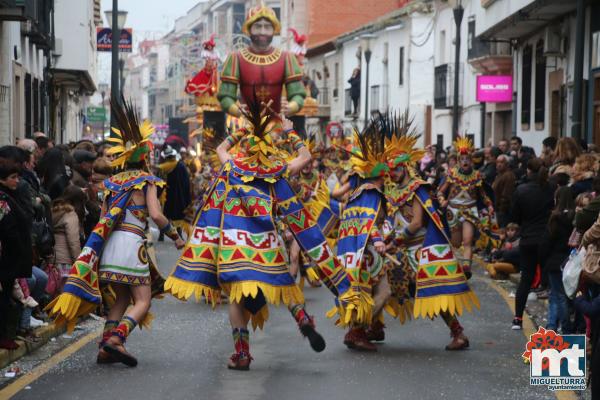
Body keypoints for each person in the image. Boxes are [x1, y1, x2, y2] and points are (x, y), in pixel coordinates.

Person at [165, 100, 361, 370]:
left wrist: (244, 130)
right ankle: (302, 317)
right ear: (270, 147)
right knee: (284, 285)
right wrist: (290, 130)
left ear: (246, 147)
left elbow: (221, 148)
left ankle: (242, 353)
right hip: (267, 242)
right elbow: (305, 158)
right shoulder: (276, 171)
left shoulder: (233, 167)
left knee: (236, 297)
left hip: (234, 245)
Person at [47, 100, 185, 367]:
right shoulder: (147, 182)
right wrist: (176, 236)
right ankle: (116, 338)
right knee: (142, 300)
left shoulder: (112, 184)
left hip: (110, 246)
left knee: (121, 298)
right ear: (145, 156)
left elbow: (103, 219)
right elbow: (155, 215)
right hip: (132, 245)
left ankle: (103, 348)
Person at [380, 116, 478, 351]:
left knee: (433, 292)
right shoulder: (394, 188)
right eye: (389, 170)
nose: (392, 174)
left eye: (395, 169)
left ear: (405, 167)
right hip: (402, 248)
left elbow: (416, 223)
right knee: (386, 284)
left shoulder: (417, 188)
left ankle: (458, 332)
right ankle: (373, 326)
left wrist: (395, 239)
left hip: (419, 250)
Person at [217, 3, 306, 117]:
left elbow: (298, 94)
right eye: (258, 26)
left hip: (277, 126)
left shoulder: (286, 58)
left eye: (267, 27)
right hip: (246, 125)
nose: (262, 31)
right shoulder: (236, 58)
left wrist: (291, 106)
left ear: (274, 30)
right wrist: (236, 110)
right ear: (249, 29)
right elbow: (225, 95)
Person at [437, 136, 494, 278]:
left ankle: (466, 267)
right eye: (462, 159)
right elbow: (440, 191)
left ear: (471, 160)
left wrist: (489, 205)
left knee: (467, 241)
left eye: (467, 159)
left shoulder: (477, 176)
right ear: (458, 160)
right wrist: (442, 200)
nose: (465, 161)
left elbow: (483, 195)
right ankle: (453, 266)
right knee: (456, 243)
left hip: (470, 210)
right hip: (453, 210)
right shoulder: (452, 174)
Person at [510, 158, 554, 330]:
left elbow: (514, 217)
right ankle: (553, 323)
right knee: (550, 281)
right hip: (546, 239)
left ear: (528, 171)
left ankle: (517, 319)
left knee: (525, 280)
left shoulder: (521, 190)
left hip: (528, 239)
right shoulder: (550, 188)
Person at [0, 157, 33, 350]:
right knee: (3, 299)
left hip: (11, 259)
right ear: (2, 179)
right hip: (6, 259)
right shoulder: (3, 200)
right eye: (13, 177)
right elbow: (8, 230)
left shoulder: (9, 196)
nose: (17, 181)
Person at [544, 186, 574, 333]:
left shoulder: (555, 218)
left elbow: (548, 242)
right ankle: (554, 325)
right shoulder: (575, 218)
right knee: (562, 296)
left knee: (556, 295)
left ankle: (556, 326)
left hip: (555, 261)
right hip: (570, 261)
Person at [51, 187, 84, 289]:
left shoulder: (54, 209)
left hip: (53, 258)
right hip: (66, 260)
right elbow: (73, 240)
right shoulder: (70, 214)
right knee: (64, 295)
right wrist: (79, 263)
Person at [492, 154, 516, 228]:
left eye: (501, 162)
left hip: (502, 212)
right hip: (496, 210)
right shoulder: (499, 175)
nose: (498, 164)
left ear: (507, 164)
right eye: (497, 162)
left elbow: (506, 195)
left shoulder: (508, 175)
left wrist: (501, 211)